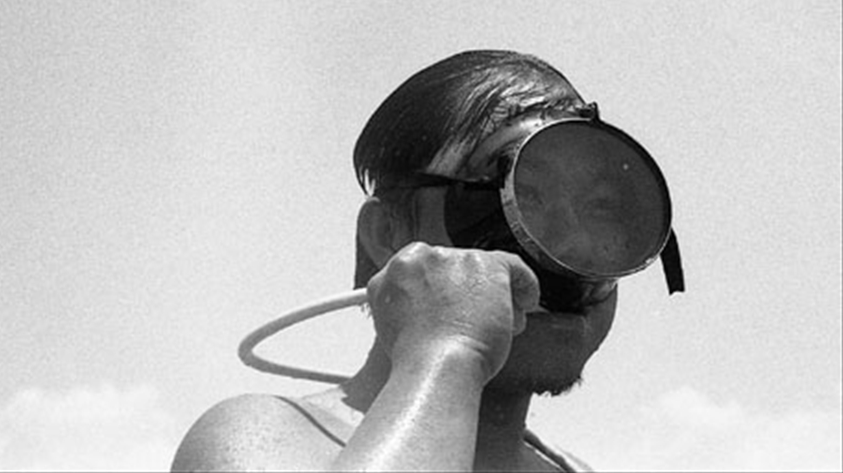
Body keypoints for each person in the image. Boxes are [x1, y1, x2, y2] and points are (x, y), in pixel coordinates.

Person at [172, 50, 683, 472]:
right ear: (388, 235)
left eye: (603, 210)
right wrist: (452, 350)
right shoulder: (262, 436)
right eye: (524, 195)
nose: (571, 244)